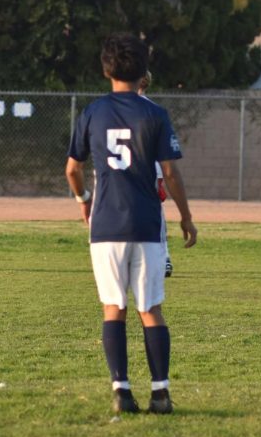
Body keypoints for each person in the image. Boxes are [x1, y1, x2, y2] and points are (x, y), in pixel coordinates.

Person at [65, 33, 197, 415]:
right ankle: (161, 393)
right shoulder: (155, 114)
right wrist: (186, 217)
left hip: (105, 224)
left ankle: (121, 390)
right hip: (145, 224)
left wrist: (83, 201)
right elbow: (170, 173)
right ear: (143, 71)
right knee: (150, 307)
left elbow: (73, 168)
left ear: (106, 70)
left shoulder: (92, 112)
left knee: (113, 307)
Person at [137, 73, 172, 276]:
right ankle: (162, 257)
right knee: (155, 212)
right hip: (150, 169)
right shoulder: (153, 110)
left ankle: (160, 257)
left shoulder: (119, 107)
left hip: (135, 170)